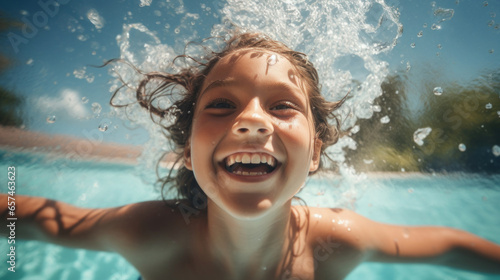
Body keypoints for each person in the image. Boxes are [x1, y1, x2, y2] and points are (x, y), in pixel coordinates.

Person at [2, 32, 500, 280]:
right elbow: (24, 219)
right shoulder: (149, 233)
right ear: (186, 148)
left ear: (315, 155)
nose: (253, 121)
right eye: (221, 105)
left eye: (283, 106)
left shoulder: (335, 241)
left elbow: (447, 246)